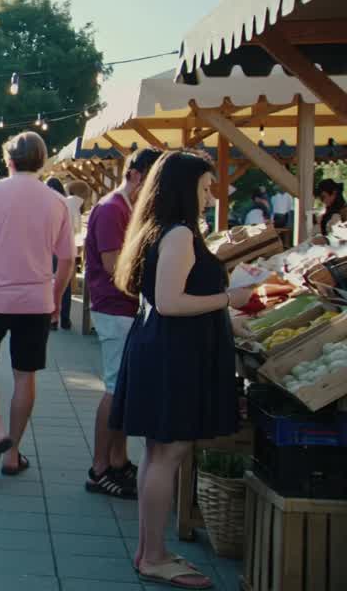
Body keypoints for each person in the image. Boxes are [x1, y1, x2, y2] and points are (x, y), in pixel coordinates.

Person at [110, 151, 250, 589]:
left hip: (166, 350)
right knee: (165, 454)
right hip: (173, 354)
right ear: (185, 188)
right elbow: (171, 303)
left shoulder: (166, 231)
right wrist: (232, 298)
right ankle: (153, 555)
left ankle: (150, 550)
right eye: (205, 188)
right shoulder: (178, 235)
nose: (210, 197)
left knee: (160, 454)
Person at [0, 132, 74, 476]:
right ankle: (12, 455)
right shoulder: (57, 202)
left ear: (8, 161)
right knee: (25, 377)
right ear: (42, 160)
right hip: (36, 300)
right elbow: (66, 261)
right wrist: (56, 297)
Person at [83, 148, 161, 499]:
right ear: (135, 175)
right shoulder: (113, 209)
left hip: (121, 308)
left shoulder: (122, 208)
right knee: (115, 389)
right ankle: (100, 468)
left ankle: (117, 458)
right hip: (115, 308)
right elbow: (116, 267)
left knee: (121, 389)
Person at [47, 178, 78, 331]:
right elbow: (76, 228)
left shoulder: (45, 205)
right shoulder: (67, 205)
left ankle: (52, 320)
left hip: (49, 250)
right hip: (66, 248)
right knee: (64, 285)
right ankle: (64, 319)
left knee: (51, 283)